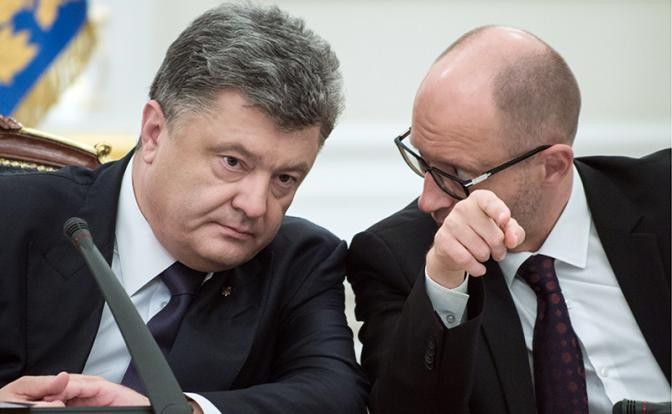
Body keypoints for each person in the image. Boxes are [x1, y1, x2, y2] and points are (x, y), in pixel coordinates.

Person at [0, 3, 368, 413]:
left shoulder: (299, 261)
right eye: (233, 162)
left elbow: (337, 395)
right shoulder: (13, 216)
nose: (255, 205)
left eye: (285, 178)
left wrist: (182, 410)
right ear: (154, 132)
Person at [347, 25, 670, 414]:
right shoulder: (399, 257)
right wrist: (446, 282)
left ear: (552, 166)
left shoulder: (662, 197)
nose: (427, 200)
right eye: (422, 160)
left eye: (457, 174)